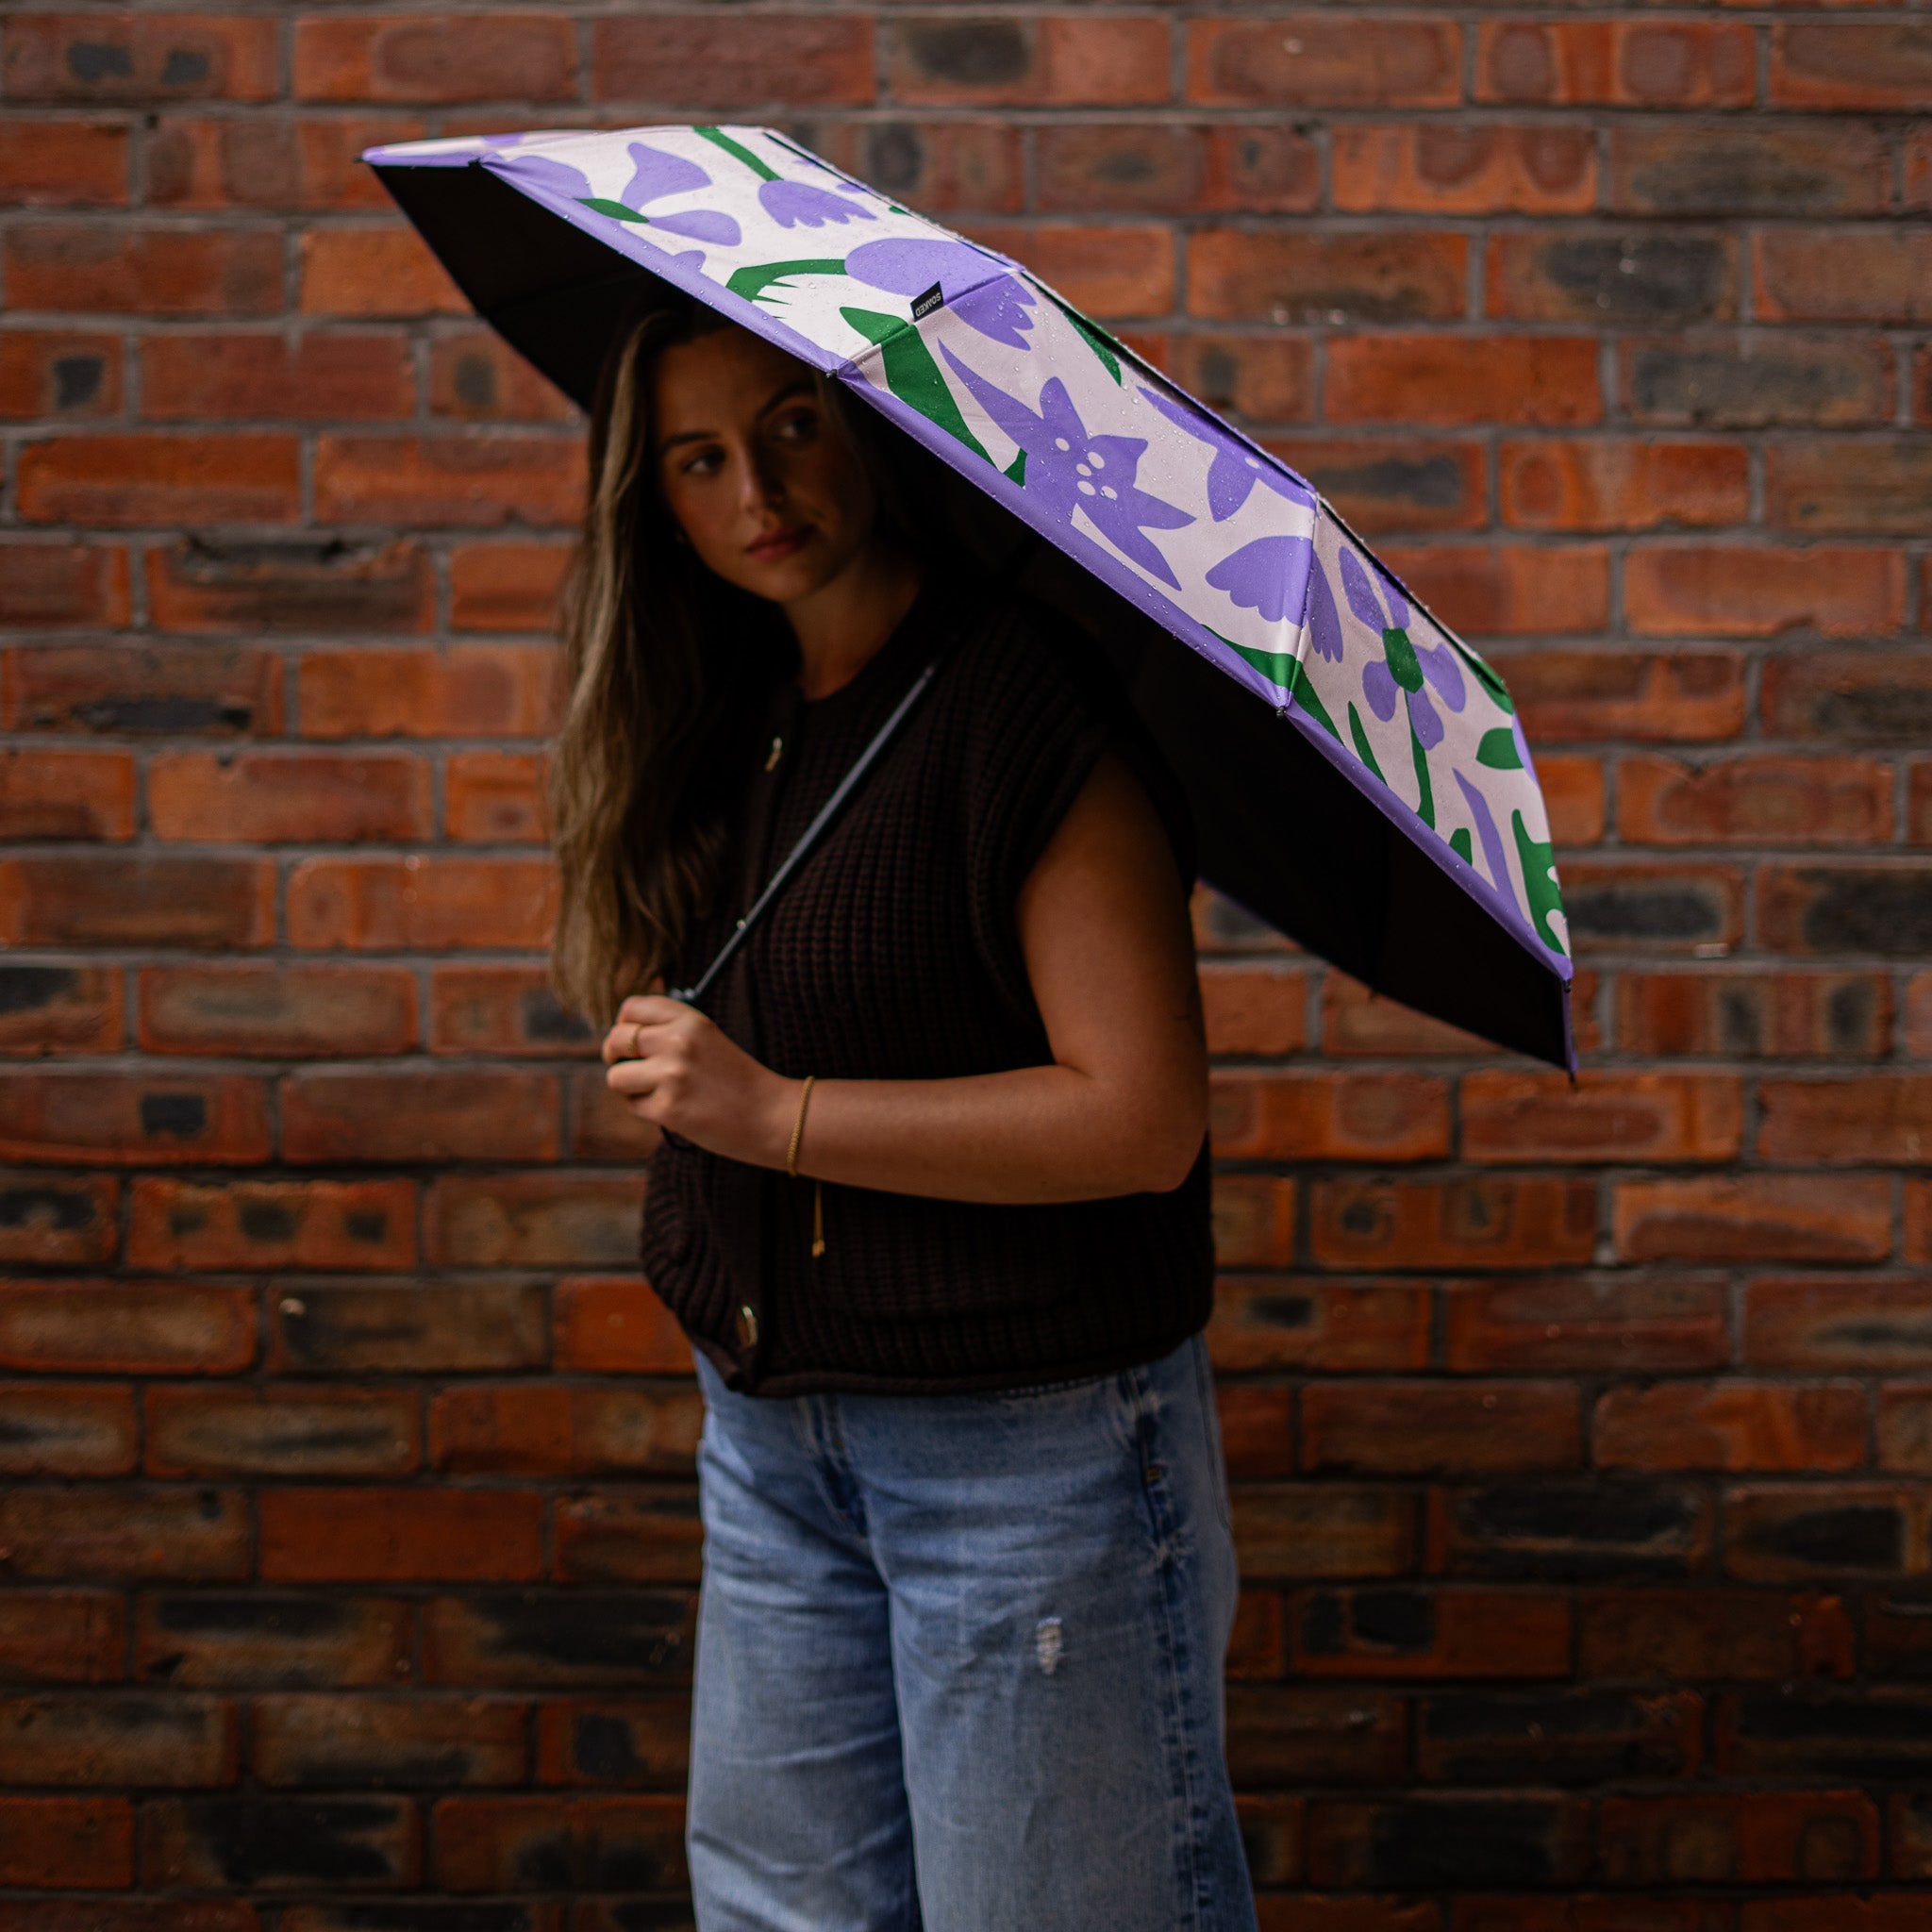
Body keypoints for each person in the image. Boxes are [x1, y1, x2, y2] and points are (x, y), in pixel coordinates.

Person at [547, 286, 1255, 1932]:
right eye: (699, 460)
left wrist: (773, 1111)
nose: (757, 496)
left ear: (873, 421)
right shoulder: (724, 712)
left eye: (792, 426)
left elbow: (1138, 1119)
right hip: (776, 1442)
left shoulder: (1020, 702)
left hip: (1027, 1463)